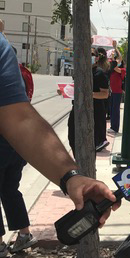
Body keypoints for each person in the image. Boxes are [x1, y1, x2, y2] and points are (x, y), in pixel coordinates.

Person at [0, 29, 118, 255]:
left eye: (94, 53)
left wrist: (71, 177)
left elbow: (20, 118)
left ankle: (22, 234)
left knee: (8, 190)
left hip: (9, 148)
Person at [0, 31, 37, 256]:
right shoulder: (22, 76)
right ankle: (24, 234)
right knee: (10, 189)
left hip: (3, 142)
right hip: (19, 143)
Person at [108, 57, 126, 134]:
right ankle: (112, 126)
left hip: (117, 92)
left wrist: (116, 48)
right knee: (112, 110)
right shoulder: (112, 71)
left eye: (118, 60)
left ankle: (115, 128)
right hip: (112, 92)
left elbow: (115, 65)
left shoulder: (122, 70)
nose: (117, 61)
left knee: (115, 110)